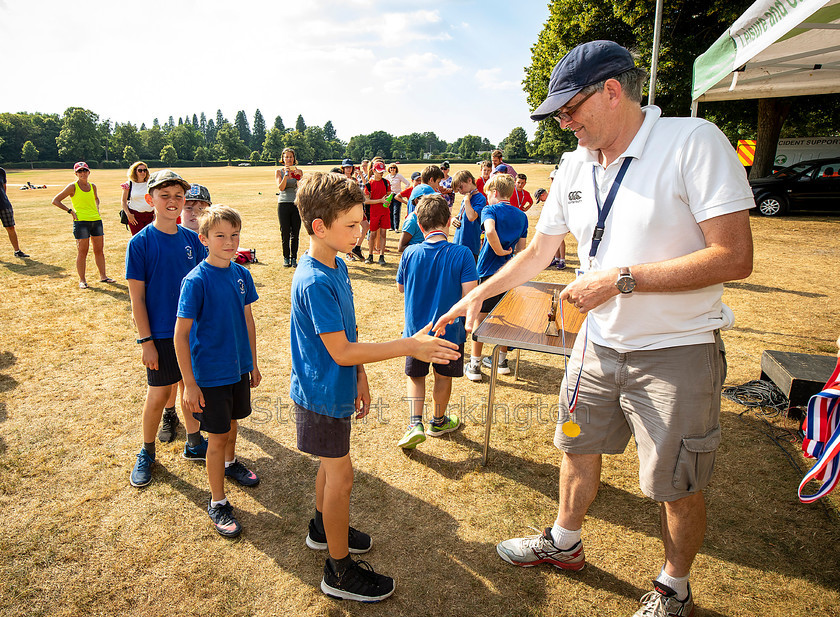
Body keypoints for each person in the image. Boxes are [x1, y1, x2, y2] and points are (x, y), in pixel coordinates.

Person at [434, 40, 754, 617]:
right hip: (595, 345)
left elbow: (733, 256)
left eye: (569, 109)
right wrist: (479, 295)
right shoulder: (574, 164)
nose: (564, 123)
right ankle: (564, 541)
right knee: (576, 448)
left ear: (612, 91)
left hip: (676, 351)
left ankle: (674, 586)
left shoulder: (693, 142)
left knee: (675, 482)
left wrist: (619, 280)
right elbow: (539, 251)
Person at [290, 171, 460, 602]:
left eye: (361, 220)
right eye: (351, 225)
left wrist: (361, 377)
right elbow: (342, 351)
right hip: (322, 395)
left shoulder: (338, 263)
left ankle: (320, 528)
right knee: (341, 477)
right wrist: (409, 345)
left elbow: (348, 333)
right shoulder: (313, 279)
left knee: (331, 470)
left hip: (336, 387)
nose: (362, 230)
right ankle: (339, 571)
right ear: (319, 227)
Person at [174, 205, 261, 537]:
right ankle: (217, 501)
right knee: (217, 435)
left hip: (238, 368)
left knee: (233, 423)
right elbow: (181, 335)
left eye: (234, 235)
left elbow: (248, 321)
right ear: (204, 238)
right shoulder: (195, 281)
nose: (229, 242)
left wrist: (252, 362)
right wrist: (189, 384)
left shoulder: (242, 274)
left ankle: (230, 464)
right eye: (220, 236)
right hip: (209, 374)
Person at [125, 169, 208, 488]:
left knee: (190, 390)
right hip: (159, 335)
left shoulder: (193, 240)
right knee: (159, 394)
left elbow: (205, 284)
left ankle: (194, 442)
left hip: (191, 332)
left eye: (178, 196)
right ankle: (146, 452)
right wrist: (146, 340)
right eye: (165, 195)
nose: (173, 201)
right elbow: (137, 298)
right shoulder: (140, 243)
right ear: (150, 200)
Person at [396, 194, 478, 449]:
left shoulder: (409, 253)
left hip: (416, 334)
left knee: (416, 377)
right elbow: (471, 294)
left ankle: (414, 423)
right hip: (450, 333)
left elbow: (401, 287)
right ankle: (438, 421)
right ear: (448, 221)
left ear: (420, 226)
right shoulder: (462, 254)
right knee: (443, 378)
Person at [462, 173, 528, 381]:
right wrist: (507, 254)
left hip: (488, 271)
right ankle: (502, 361)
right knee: (506, 318)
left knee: (480, 317)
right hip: (510, 272)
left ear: (495, 192)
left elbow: (489, 231)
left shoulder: (489, 209)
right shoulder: (521, 216)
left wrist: (498, 250)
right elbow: (521, 248)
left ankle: (474, 364)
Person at [51, 162, 114, 288]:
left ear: (89, 172)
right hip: (81, 222)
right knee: (82, 251)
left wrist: (97, 208)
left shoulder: (93, 186)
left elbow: (96, 198)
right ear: (76, 173)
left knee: (99, 250)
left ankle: (103, 276)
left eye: (85, 170)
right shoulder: (72, 186)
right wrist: (70, 211)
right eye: (80, 171)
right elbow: (56, 200)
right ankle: (82, 280)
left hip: (96, 221)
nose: (83, 173)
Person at [276, 147, 303, 267]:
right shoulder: (279, 172)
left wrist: (298, 177)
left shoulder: (299, 171)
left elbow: (301, 187)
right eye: (286, 156)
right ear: (282, 158)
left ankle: (294, 258)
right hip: (283, 203)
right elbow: (281, 188)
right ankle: (286, 257)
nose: (289, 159)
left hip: (296, 203)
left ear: (294, 158)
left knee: (295, 233)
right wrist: (286, 175)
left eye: (291, 156)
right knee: (285, 232)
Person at [451, 169, 486, 261]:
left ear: (470, 180)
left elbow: (471, 217)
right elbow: (461, 216)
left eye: (461, 187)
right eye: (458, 190)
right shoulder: (466, 198)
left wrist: (467, 201)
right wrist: (454, 219)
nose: (460, 191)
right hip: (458, 242)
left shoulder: (479, 198)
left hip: (470, 245)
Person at [364, 161, 391, 265]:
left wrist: (388, 202)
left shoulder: (386, 182)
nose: (381, 174)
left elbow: (389, 196)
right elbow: (366, 200)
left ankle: (381, 256)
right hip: (374, 212)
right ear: (374, 171)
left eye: (382, 172)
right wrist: (380, 201)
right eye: (379, 171)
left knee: (383, 234)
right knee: (373, 234)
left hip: (385, 212)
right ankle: (370, 255)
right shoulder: (369, 185)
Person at [0, 167, 29, 258]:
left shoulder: (1, 171)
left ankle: (17, 251)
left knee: (11, 227)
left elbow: (4, 188)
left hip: (4, 204)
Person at [535, 187, 567, 270]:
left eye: (540, 199)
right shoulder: (549, 200)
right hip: (553, 222)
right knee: (554, 240)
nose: (541, 201)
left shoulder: (554, 197)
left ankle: (562, 260)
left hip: (560, 221)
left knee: (560, 241)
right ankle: (556, 258)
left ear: (542, 195)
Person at [120, 162, 154, 235]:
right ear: (135, 171)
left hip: (150, 216)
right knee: (138, 240)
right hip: (135, 217)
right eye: (140, 170)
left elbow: (156, 199)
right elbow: (123, 201)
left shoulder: (151, 184)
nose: (143, 172)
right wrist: (128, 214)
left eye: (145, 170)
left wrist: (156, 215)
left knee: (151, 239)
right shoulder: (129, 184)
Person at [385, 163, 410, 231]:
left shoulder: (399, 176)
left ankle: (396, 227)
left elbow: (407, 183)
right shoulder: (387, 177)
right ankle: (391, 227)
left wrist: (402, 192)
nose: (392, 169)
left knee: (396, 211)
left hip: (397, 195)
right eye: (391, 168)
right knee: (390, 211)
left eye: (394, 168)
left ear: (396, 169)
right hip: (390, 196)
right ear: (389, 169)